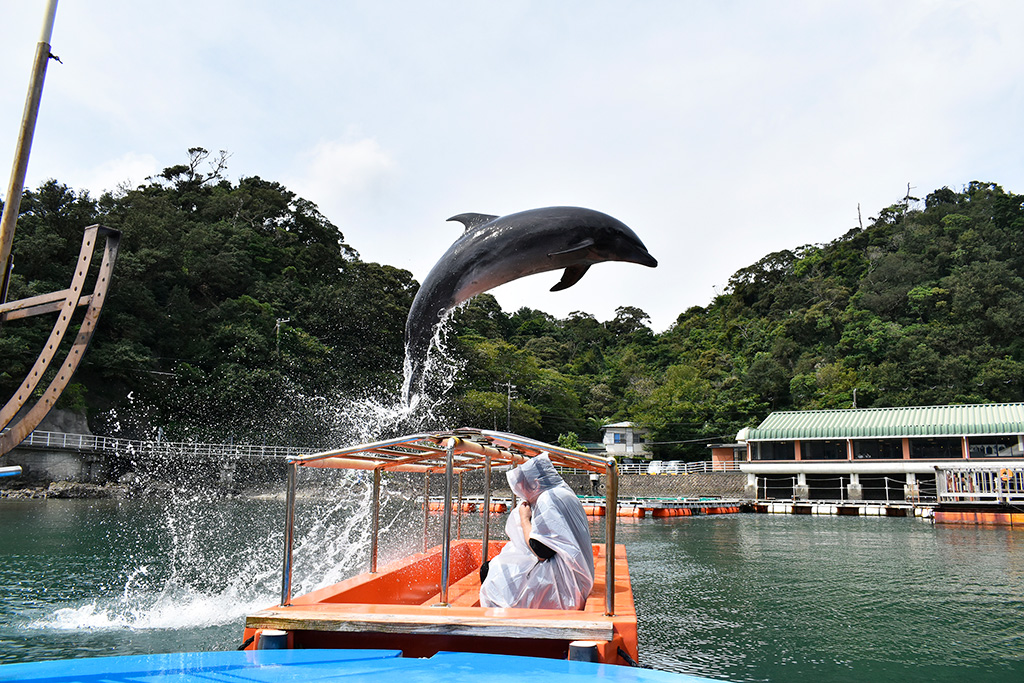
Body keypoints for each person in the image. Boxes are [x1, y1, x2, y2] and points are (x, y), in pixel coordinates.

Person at [479, 453, 594, 610]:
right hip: (575, 577)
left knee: (491, 571)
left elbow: (541, 550)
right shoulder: (562, 493)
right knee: (497, 567)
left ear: (534, 484)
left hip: (564, 587)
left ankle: (498, 621)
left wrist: (524, 519)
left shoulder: (548, 499)